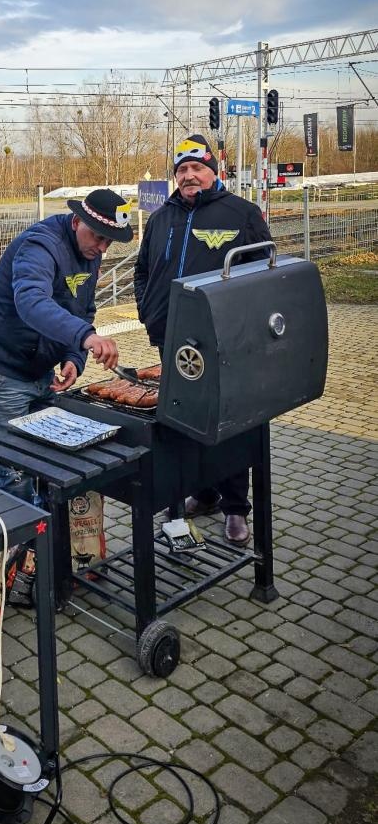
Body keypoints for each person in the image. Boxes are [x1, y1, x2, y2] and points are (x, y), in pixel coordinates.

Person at [134, 134, 272, 544]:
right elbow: (142, 271)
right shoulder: (161, 218)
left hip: (223, 343)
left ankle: (235, 508)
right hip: (171, 339)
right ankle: (205, 492)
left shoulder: (242, 214)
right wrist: (147, 311)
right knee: (185, 420)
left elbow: (263, 276)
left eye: (197, 167)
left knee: (228, 425)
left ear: (214, 171)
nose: (189, 175)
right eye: (182, 170)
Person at [0, 188, 133, 504]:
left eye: (108, 242)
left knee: (48, 463)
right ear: (76, 221)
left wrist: (75, 356)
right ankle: (21, 548)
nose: (101, 248)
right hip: (5, 370)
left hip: (41, 369)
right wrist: (86, 337)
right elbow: (31, 301)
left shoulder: (91, 254)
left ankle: (46, 544)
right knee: (17, 470)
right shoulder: (40, 246)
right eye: (97, 237)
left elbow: (82, 308)